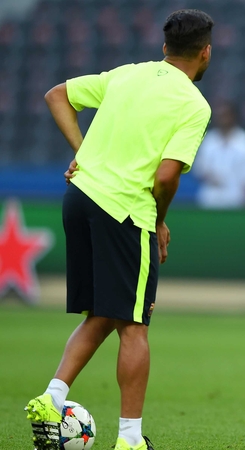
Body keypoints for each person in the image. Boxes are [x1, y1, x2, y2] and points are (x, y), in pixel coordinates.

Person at [26, 9, 213, 450]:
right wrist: (160, 219)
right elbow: (167, 177)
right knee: (135, 325)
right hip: (125, 211)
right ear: (206, 52)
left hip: (79, 197)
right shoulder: (194, 104)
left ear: (165, 48)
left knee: (106, 314)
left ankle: (52, 397)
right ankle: (130, 439)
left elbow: (57, 96)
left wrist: (84, 152)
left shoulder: (127, 74)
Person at [193, 100, 245, 208]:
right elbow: (199, 170)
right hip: (210, 199)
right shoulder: (208, 140)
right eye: (220, 115)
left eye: (226, 115)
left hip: (237, 199)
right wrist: (211, 177)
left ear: (234, 116)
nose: (222, 119)